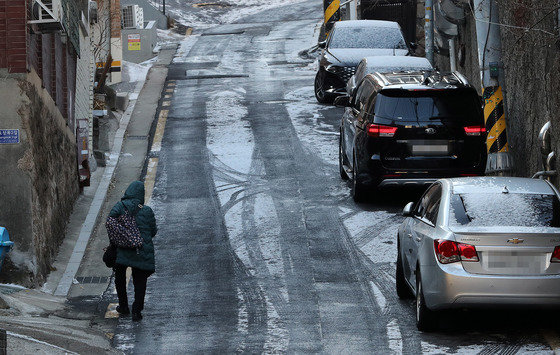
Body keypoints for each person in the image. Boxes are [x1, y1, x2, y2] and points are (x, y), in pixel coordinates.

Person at [109, 181, 157, 321]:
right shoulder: (146, 210)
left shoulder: (119, 207)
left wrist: (119, 239)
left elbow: (110, 223)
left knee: (119, 277)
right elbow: (153, 231)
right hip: (140, 250)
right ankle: (137, 310)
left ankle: (123, 306)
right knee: (140, 281)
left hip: (122, 248)